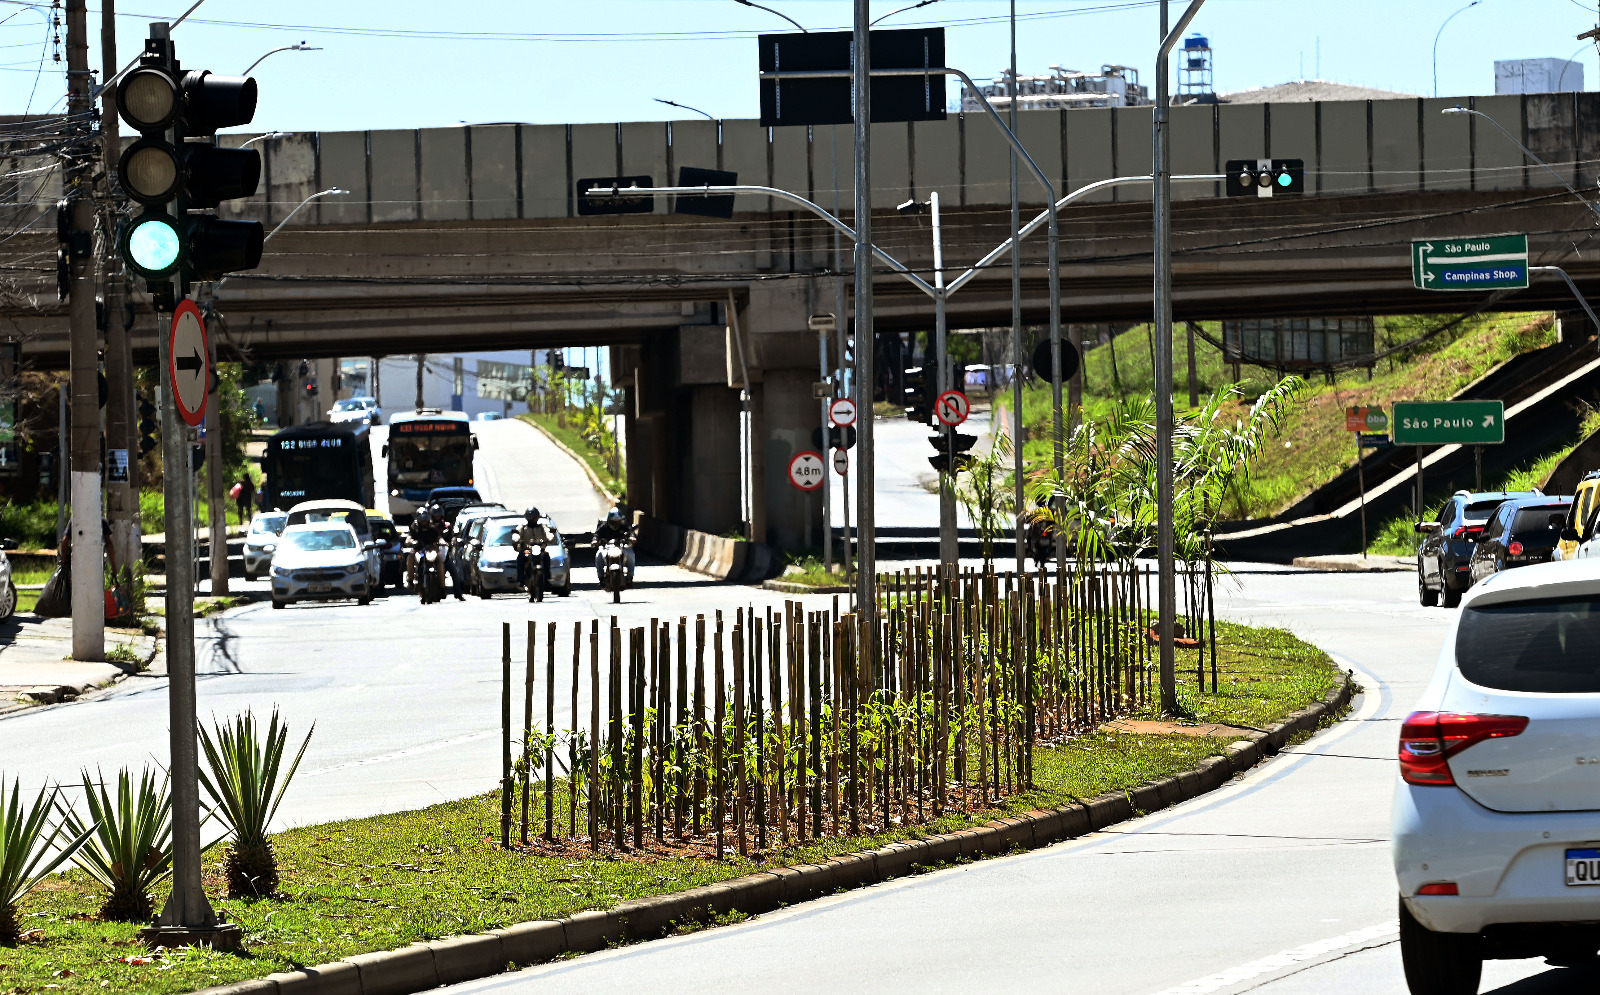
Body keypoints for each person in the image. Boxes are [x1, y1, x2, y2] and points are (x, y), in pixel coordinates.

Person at [512, 507, 552, 602]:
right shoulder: (522, 527)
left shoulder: (542, 527)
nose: (532, 519)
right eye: (530, 516)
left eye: (534, 516)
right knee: (521, 557)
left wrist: (550, 537)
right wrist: (516, 538)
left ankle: (546, 578)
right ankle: (521, 580)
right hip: (527, 550)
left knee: (546, 556)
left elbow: (548, 533)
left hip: (539, 549)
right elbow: (516, 533)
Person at [593, 505, 636, 583]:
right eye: (613, 522)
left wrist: (632, 537)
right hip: (607, 546)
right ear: (609, 520)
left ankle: (630, 576)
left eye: (618, 522)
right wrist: (595, 540)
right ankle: (601, 577)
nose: (615, 524)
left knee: (631, 554)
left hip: (621, 545)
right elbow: (597, 534)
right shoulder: (604, 526)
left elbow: (631, 532)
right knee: (598, 555)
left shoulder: (624, 525)